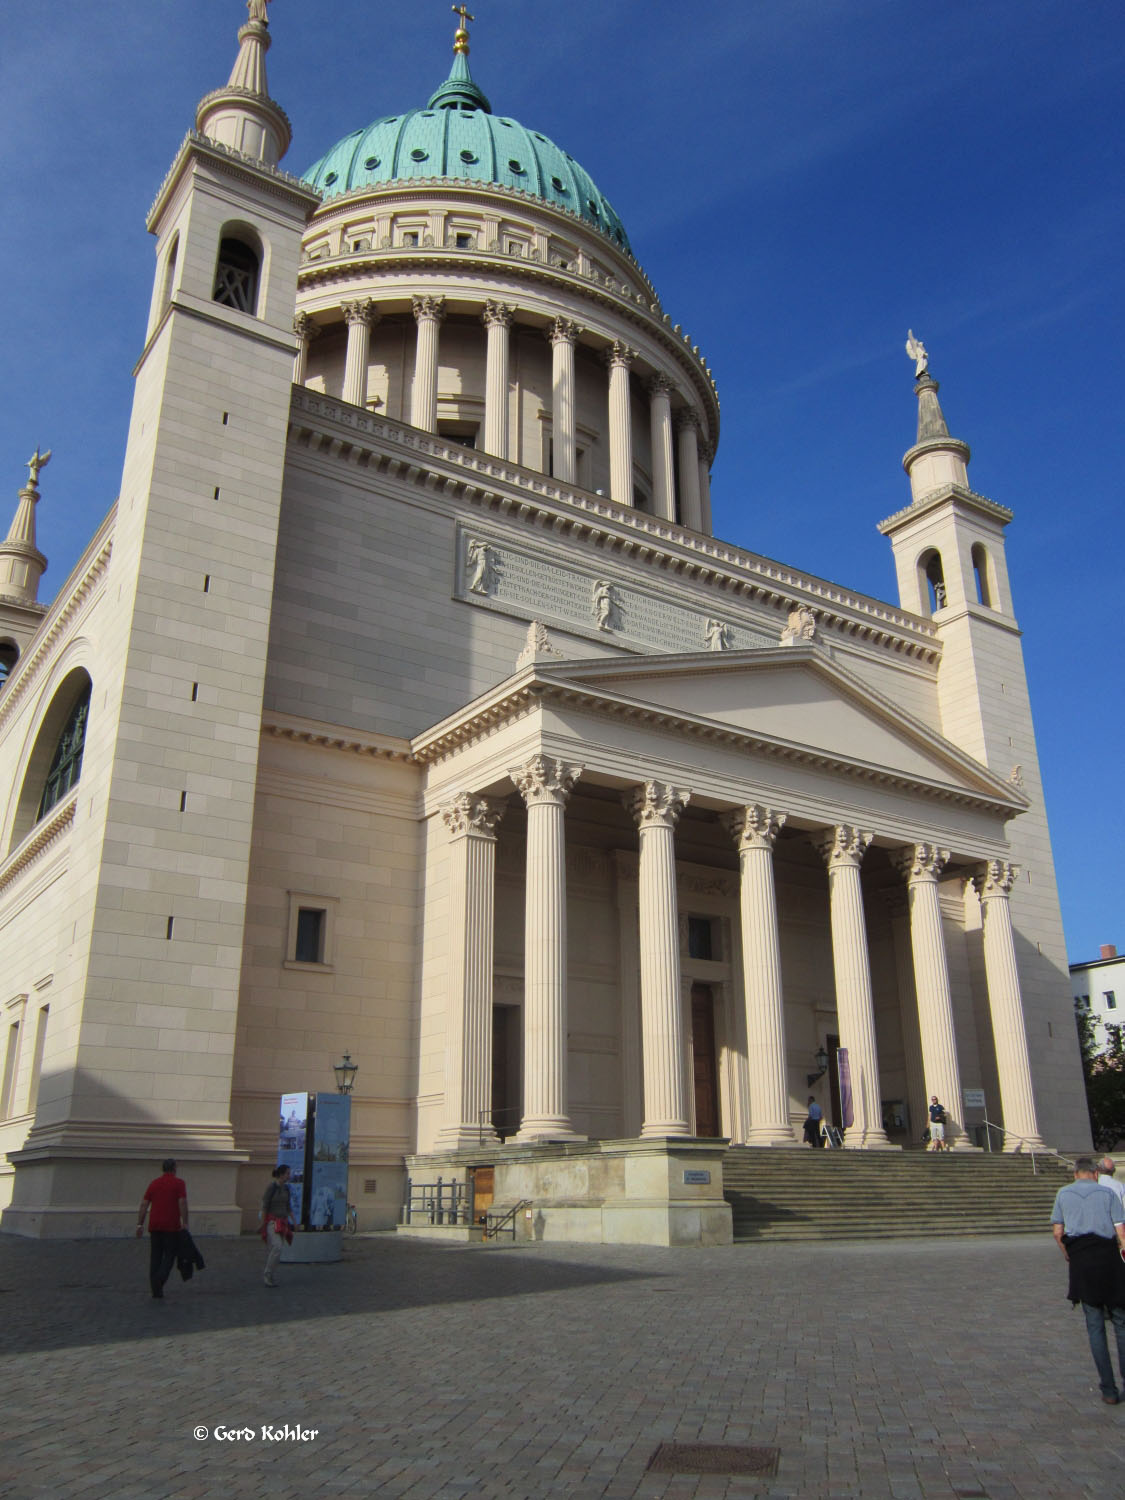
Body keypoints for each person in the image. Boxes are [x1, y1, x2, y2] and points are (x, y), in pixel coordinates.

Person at [1050, 1156, 1125, 1403]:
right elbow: (1121, 1232)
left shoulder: (1063, 1194)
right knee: (1121, 1323)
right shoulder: (1107, 1194)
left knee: (1094, 1325)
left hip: (1081, 1261)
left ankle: (1109, 1390)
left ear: (1075, 1174)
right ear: (1095, 1173)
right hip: (1109, 1260)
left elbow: (1058, 1232)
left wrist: (1068, 1256)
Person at [136, 1158, 189, 1299]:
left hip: (154, 1225)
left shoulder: (154, 1183)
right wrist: (185, 1221)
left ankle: (156, 1290)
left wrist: (140, 1224)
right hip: (171, 1226)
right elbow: (182, 1202)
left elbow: (144, 1204)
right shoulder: (179, 1183)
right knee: (169, 1256)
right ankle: (160, 1279)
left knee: (155, 1257)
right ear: (174, 1168)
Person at [259, 1164, 295, 1286]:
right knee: (277, 1247)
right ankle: (267, 1274)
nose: (289, 1176)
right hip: (272, 1222)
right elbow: (265, 1206)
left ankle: (270, 1274)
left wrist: (294, 1221)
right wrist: (263, 1224)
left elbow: (288, 1207)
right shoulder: (272, 1187)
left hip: (283, 1222)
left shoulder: (286, 1189)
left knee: (278, 1251)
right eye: (287, 1173)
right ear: (281, 1174)